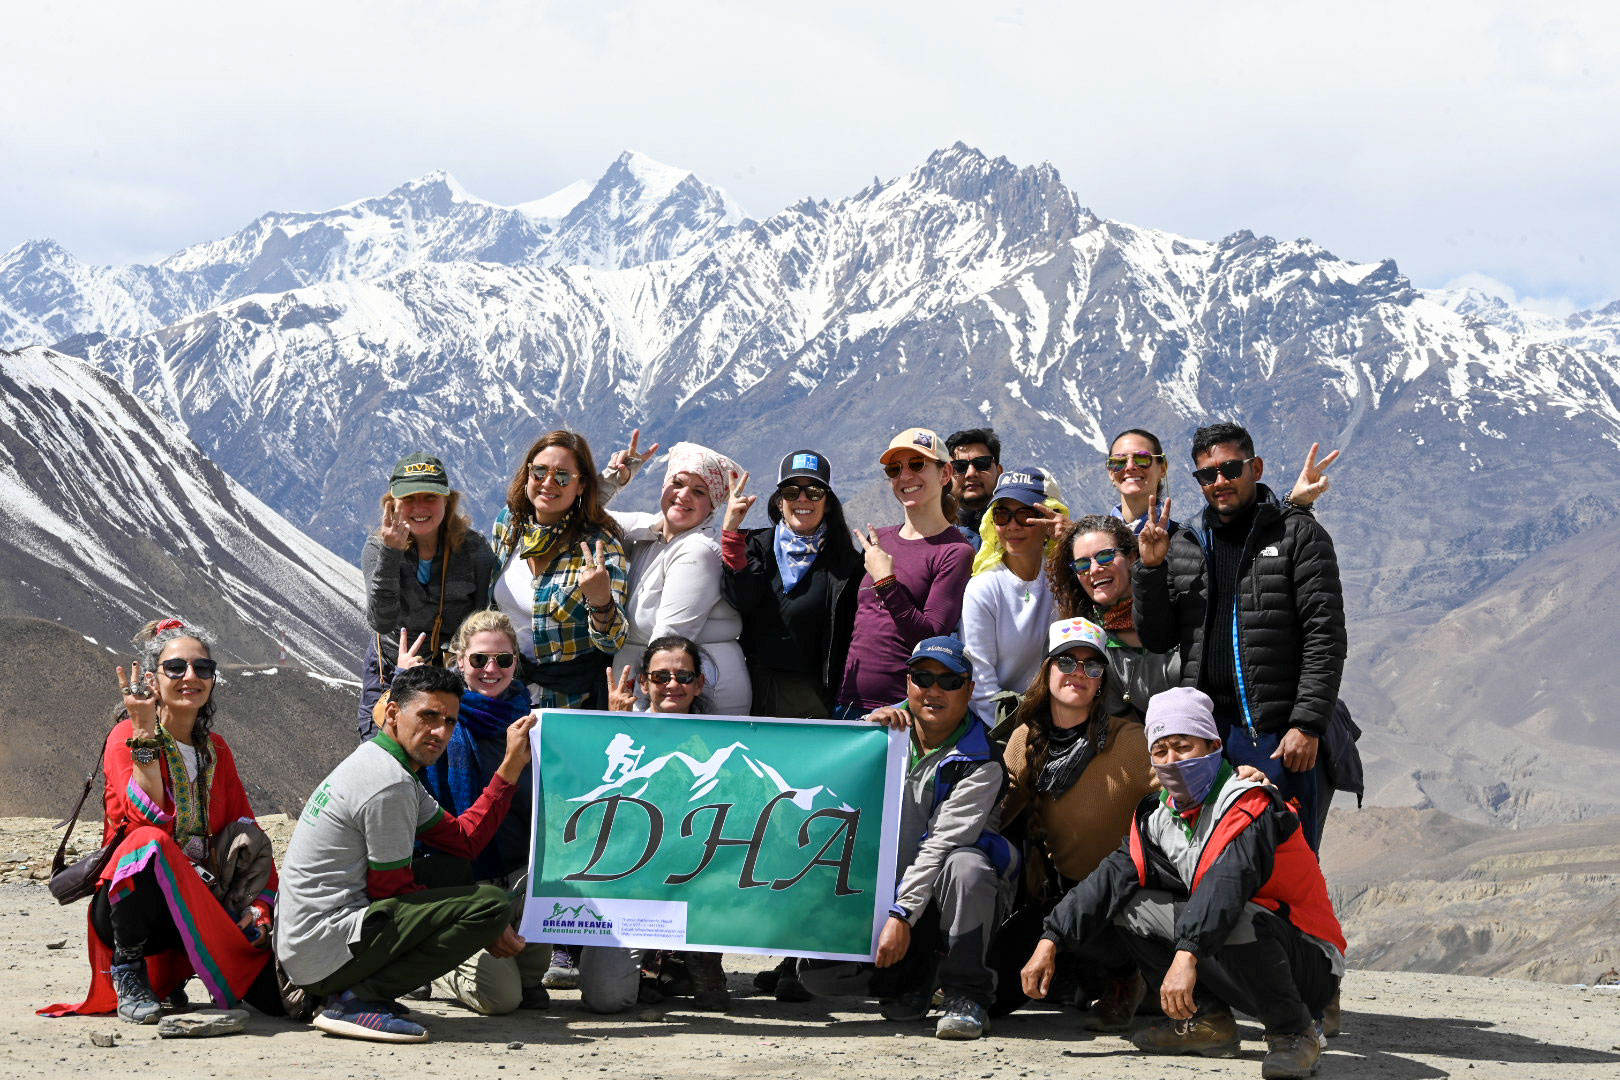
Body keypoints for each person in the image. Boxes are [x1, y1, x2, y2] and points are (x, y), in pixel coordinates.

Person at [1023, 688, 1344, 1079]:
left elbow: (1228, 885)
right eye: (1160, 751)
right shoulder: (1159, 818)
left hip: (1306, 960)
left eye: (1183, 746)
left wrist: (1186, 954)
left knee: (1238, 915)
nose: (1171, 761)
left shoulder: (1248, 803)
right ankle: (1206, 1022)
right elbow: (1108, 880)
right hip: (1245, 950)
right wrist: (1050, 940)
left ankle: (1294, 1032)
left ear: (1213, 745)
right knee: (1132, 904)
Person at [275, 665, 535, 1043]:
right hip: (321, 954)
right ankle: (357, 999)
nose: (440, 732)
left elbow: (463, 840)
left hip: (314, 946)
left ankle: (358, 990)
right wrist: (483, 926)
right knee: (490, 905)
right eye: (428, 716)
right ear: (394, 713)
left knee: (451, 868)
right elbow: (390, 889)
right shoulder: (388, 784)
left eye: (449, 721)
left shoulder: (386, 765)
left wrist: (510, 768)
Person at [41, 619, 279, 1026]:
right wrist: (145, 734)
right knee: (148, 841)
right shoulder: (125, 737)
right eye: (176, 668)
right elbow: (142, 816)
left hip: (201, 899)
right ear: (152, 679)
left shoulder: (215, 749)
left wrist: (259, 905)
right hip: (133, 906)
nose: (191, 677)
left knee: (282, 998)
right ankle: (129, 972)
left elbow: (248, 829)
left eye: (202, 669)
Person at [1134, 422, 1346, 851]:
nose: (1219, 482)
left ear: (1256, 468)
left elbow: (1324, 635)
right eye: (1207, 475)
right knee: (1214, 860)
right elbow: (1158, 637)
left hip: (1279, 738)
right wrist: (1151, 569)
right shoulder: (1188, 543)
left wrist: (1306, 723)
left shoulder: (1297, 534)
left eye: (1231, 469)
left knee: (1285, 858)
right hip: (1209, 738)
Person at [804, 636, 1015, 1040]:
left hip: (940, 896)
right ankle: (912, 980)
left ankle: (966, 994)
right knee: (818, 979)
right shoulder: (877, 731)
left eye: (949, 681)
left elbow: (940, 846)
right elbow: (827, 795)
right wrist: (864, 737)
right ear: (907, 683)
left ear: (969, 690)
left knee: (965, 865)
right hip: (877, 890)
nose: (934, 690)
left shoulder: (982, 761)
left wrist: (901, 916)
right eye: (922, 677)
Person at [996, 617, 1154, 1029]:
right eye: (1067, 662)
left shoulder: (1130, 741)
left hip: (1123, 894)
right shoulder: (1025, 739)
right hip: (1061, 893)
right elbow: (1000, 811)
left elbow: (1183, 783)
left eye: (1092, 666)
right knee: (996, 988)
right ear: (1047, 670)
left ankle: (1126, 976)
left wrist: (1234, 778)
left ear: (1102, 681)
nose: (1078, 674)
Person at [578, 636, 731, 1013]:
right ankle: (654, 966)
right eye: (661, 676)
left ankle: (696, 955)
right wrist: (614, 728)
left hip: (699, 877)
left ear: (699, 684)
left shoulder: (728, 741)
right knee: (606, 999)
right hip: (629, 881)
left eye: (683, 675)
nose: (672, 685)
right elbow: (587, 804)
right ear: (644, 683)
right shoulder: (619, 734)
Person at [415, 611, 551, 1016]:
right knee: (501, 998)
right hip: (463, 881)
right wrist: (400, 691)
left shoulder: (537, 721)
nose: (491, 669)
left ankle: (517, 962)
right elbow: (384, 743)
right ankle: (432, 960)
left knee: (528, 989)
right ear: (459, 662)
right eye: (479, 660)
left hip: (519, 878)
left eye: (503, 660)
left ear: (515, 664)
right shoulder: (438, 721)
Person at [358, 453, 500, 739]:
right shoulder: (378, 547)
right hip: (390, 670)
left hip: (453, 676)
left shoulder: (474, 550)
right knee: (383, 752)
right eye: (409, 498)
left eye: (430, 497)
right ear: (393, 504)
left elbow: (486, 615)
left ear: (447, 502)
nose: (419, 507)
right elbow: (381, 620)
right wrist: (391, 553)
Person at [837, 428, 975, 717]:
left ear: (945, 473)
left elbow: (930, 638)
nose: (905, 476)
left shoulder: (954, 551)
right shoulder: (880, 540)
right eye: (894, 469)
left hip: (902, 711)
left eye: (917, 464)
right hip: (848, 702)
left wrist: (886, 583)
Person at [491, 430, 629, 711]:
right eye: (539, 471)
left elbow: (613, 640)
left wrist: (601, 601)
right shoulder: (510, 524)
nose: (548, 483)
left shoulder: (598, 546)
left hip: (569, 702)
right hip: (504, 690)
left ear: (581, 486)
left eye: (563, 476)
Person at [719, 449, 862, 720]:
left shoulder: (846, 563)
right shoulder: (755, 546)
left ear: (828, 502)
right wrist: (731, 534)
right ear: (779, 501)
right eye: (792, 491)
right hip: (753, 690)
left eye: (815, 492)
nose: (803, 499)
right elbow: (742, 599)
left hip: (813, 699)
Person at [610, 442, 750, 715]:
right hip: (653, 687)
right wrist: (614, 480)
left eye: (699, 491)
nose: (683, 495)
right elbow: (577, 516)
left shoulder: (698, 551)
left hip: (687, 693)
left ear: (711, 505)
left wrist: (644, 714)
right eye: (677, 483)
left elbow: (670, 639)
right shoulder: (649, 531)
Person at [959, 467, 1068, 729]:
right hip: (1003, 726)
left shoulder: (1066, 577)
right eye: (1002, 515)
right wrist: (1016, 735)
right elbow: (981, 681)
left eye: (1026, 515)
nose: (1012, 526)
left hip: (1061, 719)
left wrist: (1072, 541)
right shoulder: (984, 587)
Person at [1048, 514, 1179, 720]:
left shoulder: (1176, 605)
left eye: (1105, 556)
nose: (1094, 569)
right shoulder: (1089, 643)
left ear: (1131, 557)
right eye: (1082, 564)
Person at [1106, 428, 1340, 536]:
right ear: (1109, 470)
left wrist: (1294, 505)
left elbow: (1250, 539)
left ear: (1163, 468)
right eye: (1118, 461)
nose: (1130, 467)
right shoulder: (1089, 540)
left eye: (1142, 459)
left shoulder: (1185, 538)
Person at [946, 428, 1005, 549]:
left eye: (982, 463)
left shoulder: (1022, 527)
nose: (971, 473)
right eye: (959, 466)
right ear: (945, 476)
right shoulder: (929, 533)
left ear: (999, 472)